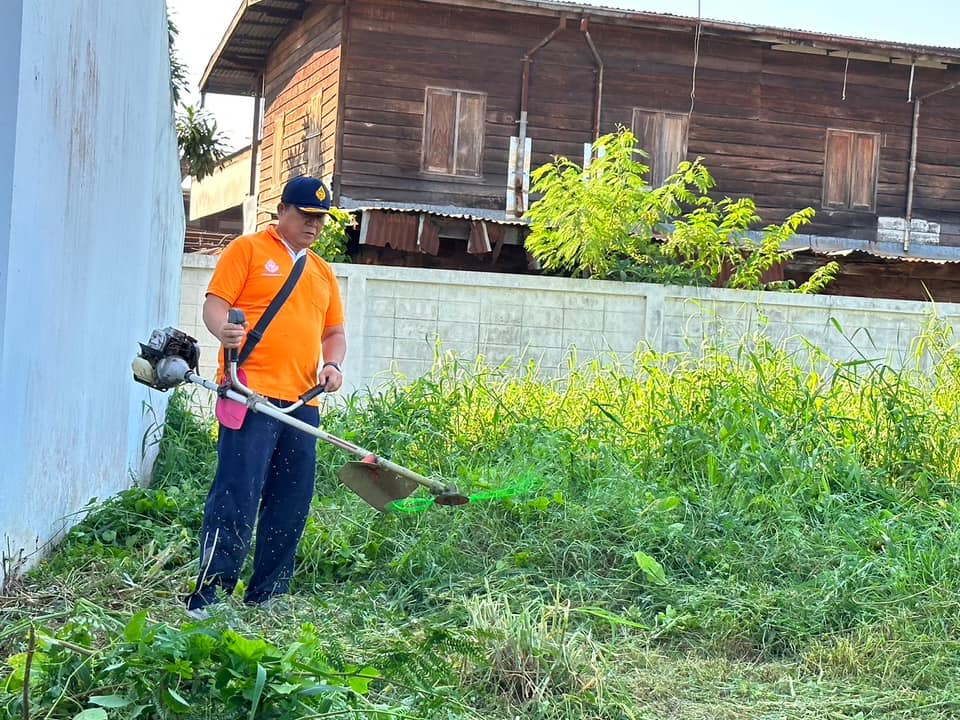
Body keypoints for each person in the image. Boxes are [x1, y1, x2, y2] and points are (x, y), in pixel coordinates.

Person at [186, 175, 346, 618]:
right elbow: (215, 303)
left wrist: (333, 365)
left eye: (321, 219)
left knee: (290, 502)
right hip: (248, 396)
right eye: (307, 216)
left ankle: (268, 597)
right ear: (284, 211)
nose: (314, 226)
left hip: (302, 406)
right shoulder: (247, 251)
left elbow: (334, 332)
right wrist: (224, 330)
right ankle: (210, 598)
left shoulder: (322, 272)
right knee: (236, 496)